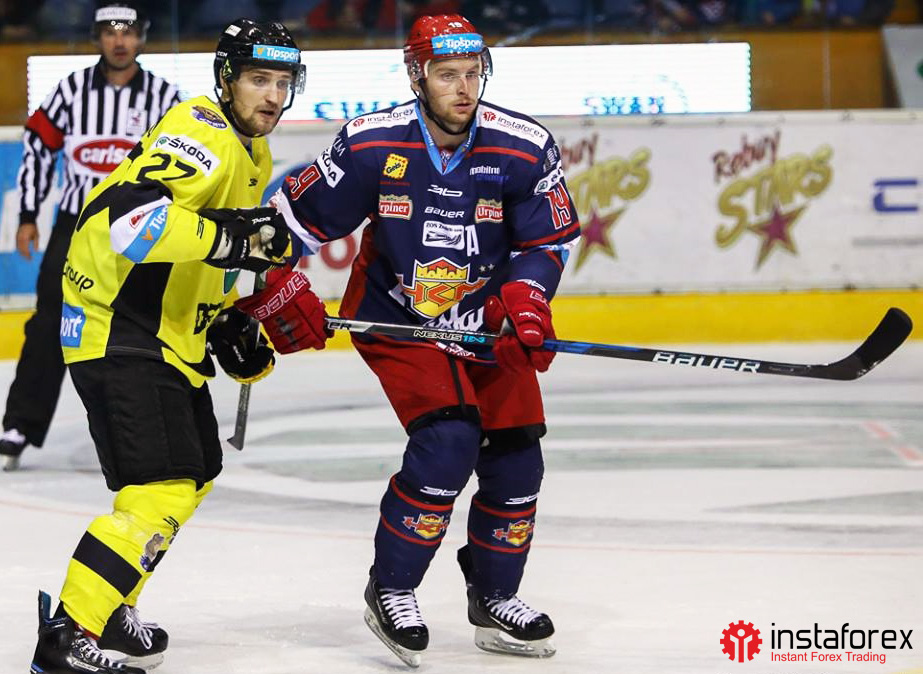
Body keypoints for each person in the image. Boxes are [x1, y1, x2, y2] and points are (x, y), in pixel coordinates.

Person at [235, 13, 580, 667]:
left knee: (517, 459)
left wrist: (528, 300)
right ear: (416, 76)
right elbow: (287, 225)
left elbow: (548, 240)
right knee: (448, 442)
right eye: (447, 75)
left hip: (484, 324)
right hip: (397, 321)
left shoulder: (523, 145)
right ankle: (391, 588)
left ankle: (494, 595)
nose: (463, 88)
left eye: (472, 73)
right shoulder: (372, 144)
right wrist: (276, 289)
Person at [29, 18, 329, 674]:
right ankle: (66, 635)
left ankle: (108, 606)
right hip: (120, 328)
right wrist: (237, 238)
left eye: (283, 82)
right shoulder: (203, 128)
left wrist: (222, 323)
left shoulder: (252, 152)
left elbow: (193, 249)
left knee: (189, 478)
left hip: (162, 336)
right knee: (161, 487)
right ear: (226, 80)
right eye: (258, 79)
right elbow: (130, 225)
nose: (273, 96)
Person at [0, 2, 182, 472]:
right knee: (49, 322)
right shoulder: (71, 90)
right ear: (97, 37)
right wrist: (28, 214)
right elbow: (38, 145)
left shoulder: (166, 97)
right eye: (110, 31)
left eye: (128, 31)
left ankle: (150, 428)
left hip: (143, 228)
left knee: (141, 327)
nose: (119, 41)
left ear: (142, 36)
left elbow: (190, 161)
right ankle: (19, 424)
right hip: (76, 224)